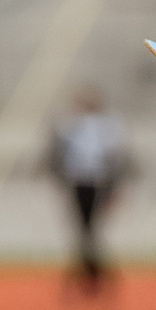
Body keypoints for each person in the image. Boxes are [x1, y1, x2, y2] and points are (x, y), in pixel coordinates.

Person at [46, 88, 130, 296]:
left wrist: (113, 186)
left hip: (97, 183)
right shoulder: (74, 124)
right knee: (86, 233)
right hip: (79, 183)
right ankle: (91, 277)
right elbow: (60, 150)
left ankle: (90, 277)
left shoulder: (107, 125)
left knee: (88, 233)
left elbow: (114, 159)